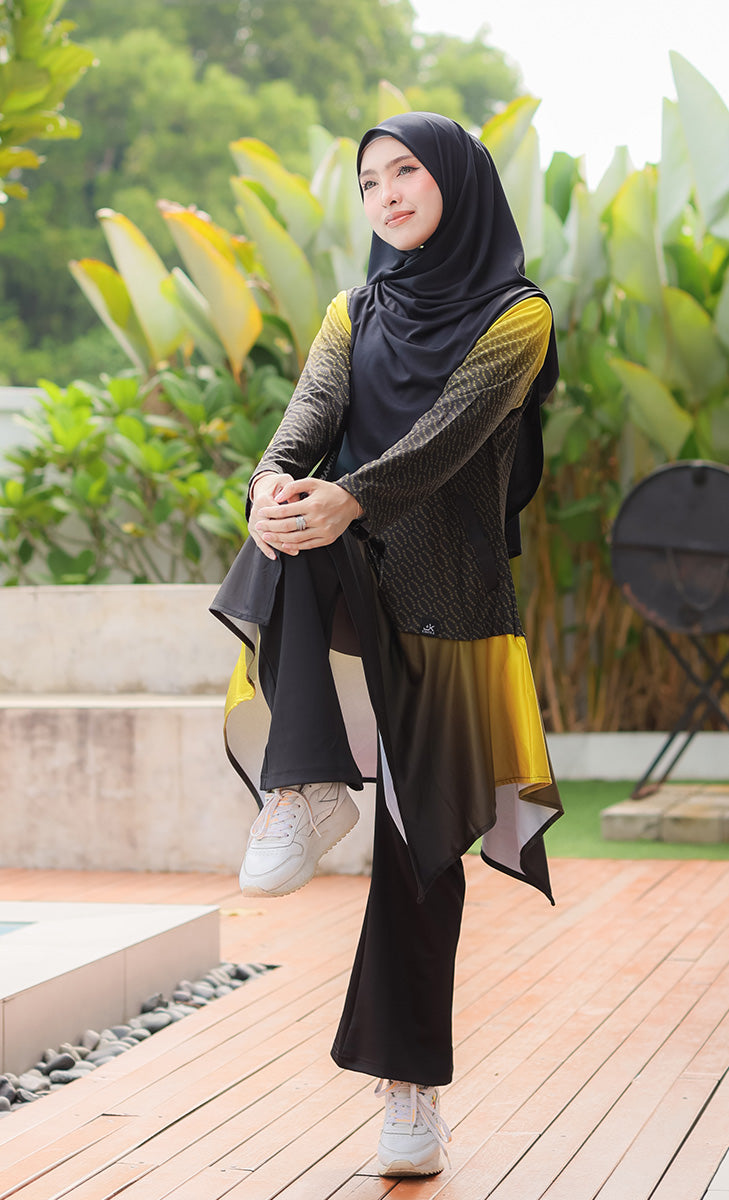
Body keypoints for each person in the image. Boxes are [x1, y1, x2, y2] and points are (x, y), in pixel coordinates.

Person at [210, 111, 563, 1178]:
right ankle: (306, 785)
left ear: (455, 178)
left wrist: (347, 498)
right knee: (284, 521)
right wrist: (271, 485)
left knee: (421, 852)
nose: (387, 194)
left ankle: (410, 1097)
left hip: (452, 601)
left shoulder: (519, 315)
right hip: (350, 577)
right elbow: (309, 415)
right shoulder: (351, 311)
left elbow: (448, 437)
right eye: (369, 182)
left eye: (406, 170)